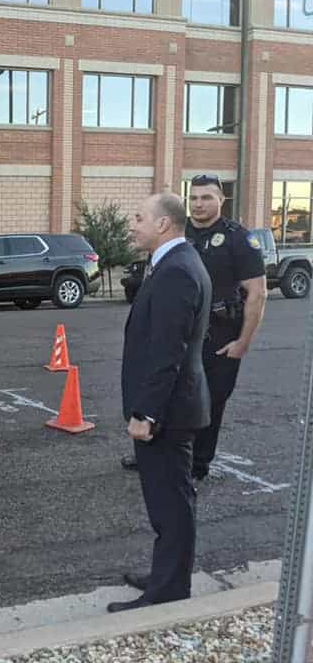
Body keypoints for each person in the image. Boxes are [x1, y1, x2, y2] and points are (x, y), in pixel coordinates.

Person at [121, 175, 266, 481]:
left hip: (220, 336)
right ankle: (156, 452)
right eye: (195, 198)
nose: (199, 204)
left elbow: (257, 293)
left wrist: (243, 342)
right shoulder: (178, 235)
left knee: (208, 404)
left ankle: (196, 467)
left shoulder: (238, 238)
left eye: (207, 198)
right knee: (167, 392)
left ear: (221, 201)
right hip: (180, 333)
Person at [109, 192, 211, 614]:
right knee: (168, 499)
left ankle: (169, 589)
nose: (132, 224)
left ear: (164, 224)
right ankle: (167, 575)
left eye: (138, 217)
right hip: (173, 405)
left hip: (167, 411)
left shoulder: (177, 271)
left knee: (171, 500)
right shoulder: (173, 263)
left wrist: (145, 412)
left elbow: (168, 349)